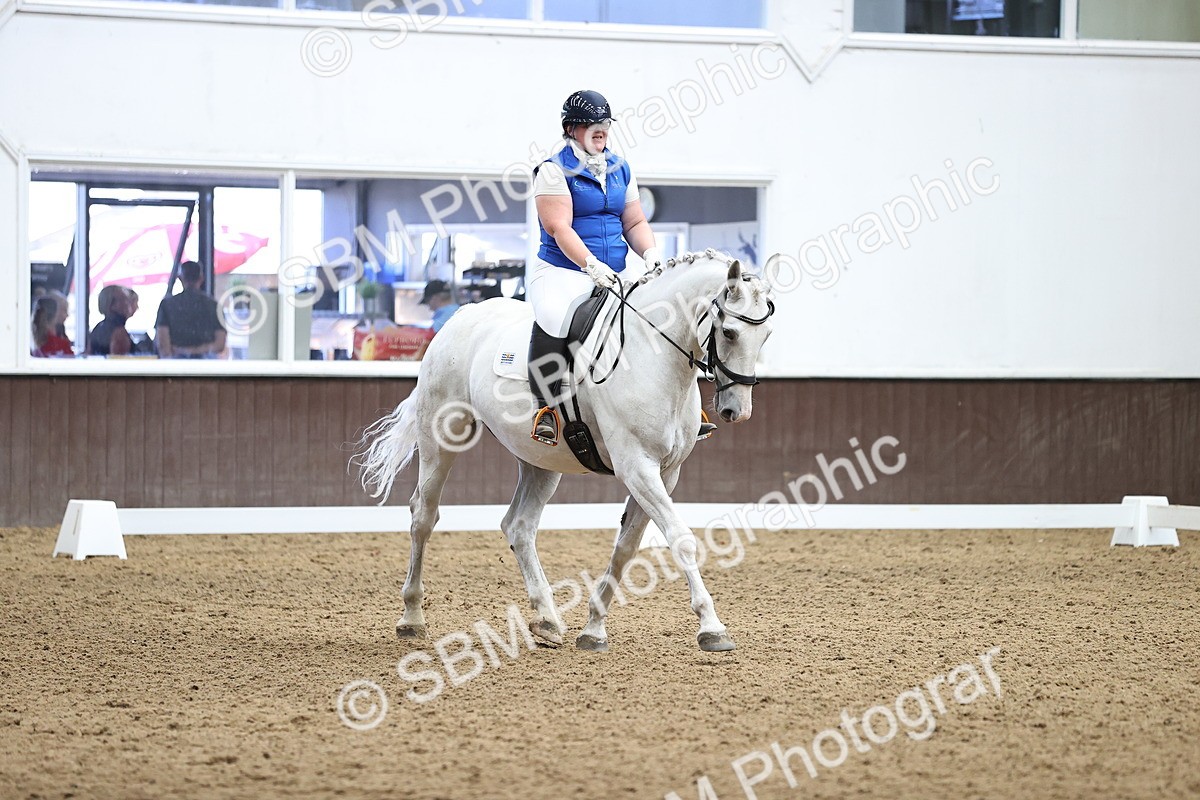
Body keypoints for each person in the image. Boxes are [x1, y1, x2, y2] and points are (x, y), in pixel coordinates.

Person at [527, 89, 665, 446]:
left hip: (615, 270)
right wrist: (590, 264)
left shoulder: (621, 168)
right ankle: (545, 408)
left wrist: (650, 254)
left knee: (658, 314)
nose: (601, 130)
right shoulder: (553, 171)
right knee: (556, 316)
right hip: (563, 270)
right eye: (592, 124)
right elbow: (560, 228)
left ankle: (677, 407)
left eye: (604, 123)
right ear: (572, 129)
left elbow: (634, 222)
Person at [156, 261, 226, 358]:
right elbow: (220, 345)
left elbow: (163, 345)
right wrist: (197, 350)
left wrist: (181, 352)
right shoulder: (214, 306)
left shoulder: (167, 305)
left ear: (180, 278)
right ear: (201, 279)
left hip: (176, 366)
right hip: (207, 367)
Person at [88, 284, 133, 356]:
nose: (128, 303)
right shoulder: (119, 332)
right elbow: (119, 360)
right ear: (111, 305)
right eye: (123, 300)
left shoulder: (98, 327)